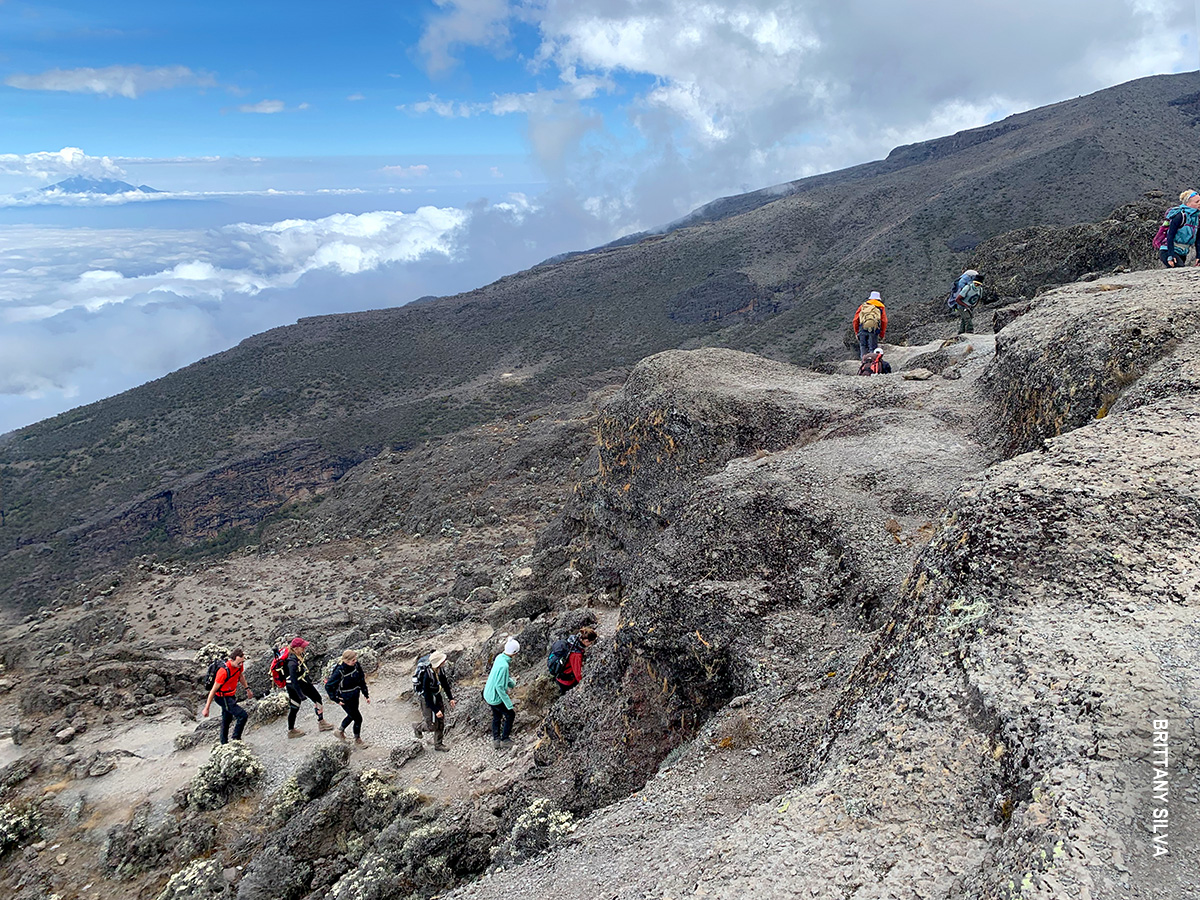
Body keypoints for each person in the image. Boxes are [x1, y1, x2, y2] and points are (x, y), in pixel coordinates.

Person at [202, 648, 254, 744]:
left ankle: (224, 743)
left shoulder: (239, 666)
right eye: (239, 663)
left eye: (242, 662)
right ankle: (236, 739)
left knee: (227, 719)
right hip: (222, 697)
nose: (241, 665)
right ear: (232, 660)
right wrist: (207, 708)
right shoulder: (223, 672)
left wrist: (247, 689)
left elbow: (240, 676)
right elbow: (213, 691)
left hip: (231, 694)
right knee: (243, 716)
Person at [285, 637, 333, 738]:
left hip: (292, 685)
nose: (304, 649)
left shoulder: (296, 657)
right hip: (300, 685)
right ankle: (321, 722)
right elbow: (294, 680)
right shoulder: (292, 663)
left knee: (294, 707)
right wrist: (300, 694)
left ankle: (291, 730)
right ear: (296, 648)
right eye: (302, 647)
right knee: (317, 699)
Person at [411, 650, 456, 751]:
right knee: (431, 726)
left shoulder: (440, 670)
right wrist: (436, 710)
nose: (444, 662)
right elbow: (427, 696)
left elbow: (445, 684)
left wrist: (451, 698)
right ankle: (417, 727)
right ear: (438, 663)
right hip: (427, 701)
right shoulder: (427, 676)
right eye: (442, 661)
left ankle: (438, 744)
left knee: (441, 722)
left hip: (437, 696)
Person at [326, 649, 370, 747]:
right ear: (346, 660)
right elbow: (328, 686)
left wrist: (365, 694)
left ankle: (339, 731)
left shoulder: (356, 665)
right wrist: (336, 699)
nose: (355, 662)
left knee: (352, 715)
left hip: (355, 694)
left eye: (355, 659)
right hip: (345, 698)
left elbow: (361, 679)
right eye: (353, 660)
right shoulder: (339, 671)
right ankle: (357, 740)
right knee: (358, 718)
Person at [483, 637, 519, 750]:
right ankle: (505, 740)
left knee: (497, 716)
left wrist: (511, 683)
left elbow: (501, 677)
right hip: (495, 697)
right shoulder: (504, 666)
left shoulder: (500, 658)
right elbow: (499, 686)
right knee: (510, 715)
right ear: (514, 653)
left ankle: (496, 739)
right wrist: (509, 704)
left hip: (488, 693)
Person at [1159, 190, 1200, 268]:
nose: (1199, 203)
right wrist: (1170, 255)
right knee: (1179, 268)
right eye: (1197, 202)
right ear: (1188, 204)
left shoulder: (1197, 219)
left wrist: (1198, 256)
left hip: (1182, 252)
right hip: (1168, 250)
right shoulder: (1180, 216)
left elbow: (1198, 239)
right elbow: (1170, 236)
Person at [554, 627, 598, 693]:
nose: (590, 645)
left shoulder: (573, 641)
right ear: (586, 641)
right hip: (566, 682)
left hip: (561, 677)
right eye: (590, 643)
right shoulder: (576, 654)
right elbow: (578, 675)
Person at [853, 291, 887, 359]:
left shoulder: (863, 306)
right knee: (872, 348)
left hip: (862, 329)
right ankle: (873, 365)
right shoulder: (880, 307)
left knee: (863, 347)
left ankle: (863, 363)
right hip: (873, 330)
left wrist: (856, 332)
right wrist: (882, 334)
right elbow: (884, 321)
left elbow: (855, 320)